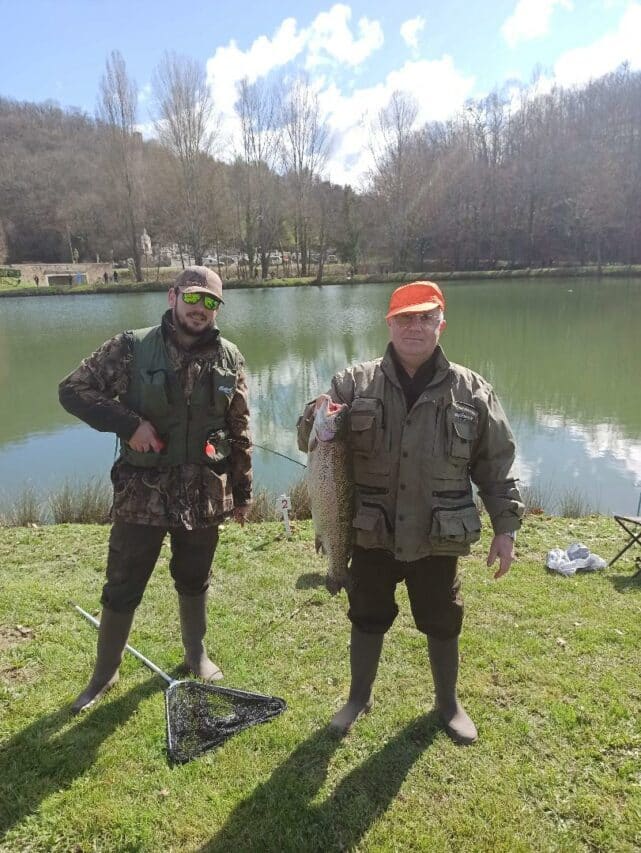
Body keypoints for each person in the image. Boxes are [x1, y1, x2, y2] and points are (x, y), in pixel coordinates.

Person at [297, 281, 523, 744]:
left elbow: (496, 466)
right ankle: (357, 698)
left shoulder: (473, 390)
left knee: (442, 619)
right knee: (366, 614)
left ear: (441, 323)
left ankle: (448, 703)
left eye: (425, 318)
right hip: (370, 533)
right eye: (405, 318)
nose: (415, 327)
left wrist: (506, 528)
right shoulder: (351, 382)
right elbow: (309, 439)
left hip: (437, 537)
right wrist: (313, 414)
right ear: (389, 324)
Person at [59, 266, 252, 713]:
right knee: (123, 583)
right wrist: (129, 425)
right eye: (192, 298)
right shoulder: (130, 347)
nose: (200, 309)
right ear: (173, 297)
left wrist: (242, 493)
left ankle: (196, 655)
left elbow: (239, 428)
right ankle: (104, 675)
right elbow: (72, 391)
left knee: (194, 579)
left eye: (210, 302)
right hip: (140, 495)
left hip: (204, 496)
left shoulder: (230, 357)